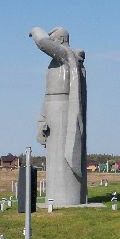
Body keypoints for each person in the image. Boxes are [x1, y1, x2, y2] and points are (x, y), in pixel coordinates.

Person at [30, 26, 87, 206]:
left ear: (61, 40)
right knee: (54, 158)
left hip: (63, 109)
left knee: (63, 157)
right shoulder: (58, 61)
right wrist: (42, 118)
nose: (50, 42)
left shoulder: (66, 56)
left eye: (52, 38)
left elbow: (41, 42)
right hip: (53, 107)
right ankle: (55, 197)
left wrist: (35, 29)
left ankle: (67, 199)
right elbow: (48, 94)